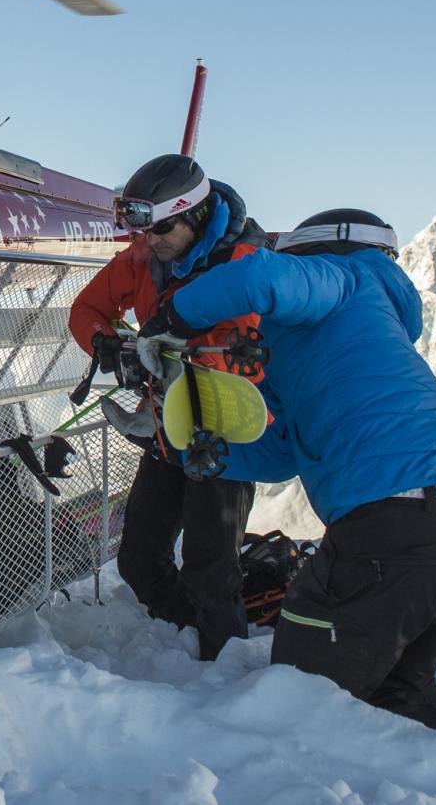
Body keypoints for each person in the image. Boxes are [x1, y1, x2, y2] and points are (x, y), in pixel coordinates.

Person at [144, 208, 436, 732]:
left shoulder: (347, 279)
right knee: (395, 695)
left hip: (392, 538)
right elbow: (284, 452)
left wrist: (169, 321)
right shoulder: (346, 336)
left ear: (313, 253)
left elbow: (256, 276)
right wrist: (198, 453)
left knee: (300, 707)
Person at [68, 153, 268, 661]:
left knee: (212, 569)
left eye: (164, 227)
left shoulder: (246, 263)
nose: (151, 239)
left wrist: (172, 358)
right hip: (165, 433)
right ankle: (185, 640)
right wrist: (107, 344)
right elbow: (88, 310)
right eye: (146, 228)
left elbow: (250, 353)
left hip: (221, 439)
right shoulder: (143, 258)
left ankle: (223, 665)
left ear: (196, 216)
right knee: (138, 561)